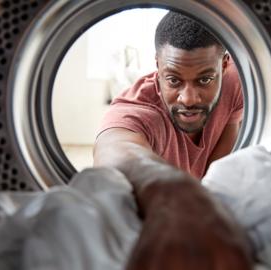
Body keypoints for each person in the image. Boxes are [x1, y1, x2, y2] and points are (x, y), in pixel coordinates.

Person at [92, 11, 251, 269]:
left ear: (224, 65)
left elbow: (229, 128)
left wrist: (208, 200)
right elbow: (116, 149)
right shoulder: (139, 110)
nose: (188, 99)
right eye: (174, 80)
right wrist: (172, 191)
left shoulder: (236, 83)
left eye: (205, 79)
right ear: (158, 65)